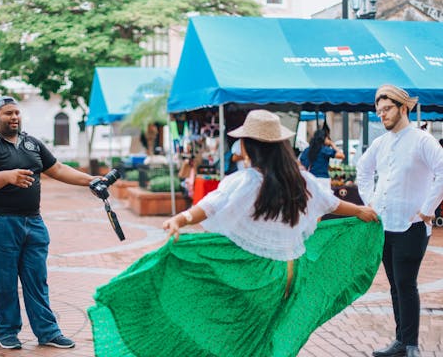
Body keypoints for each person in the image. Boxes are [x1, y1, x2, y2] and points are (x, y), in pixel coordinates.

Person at [89, 109, 381, 357]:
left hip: (252, 272)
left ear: (250, 146)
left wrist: (181, 219)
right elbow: (331, 203)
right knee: (264, 332)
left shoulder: (245, 181)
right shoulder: (300, 180)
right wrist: (360, 211)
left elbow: (211, 206)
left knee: (227, 328)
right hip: (288, 275)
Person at [0, 96, 102, 350]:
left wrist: (91, 180)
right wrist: (8, 176)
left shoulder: (32, 144)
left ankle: (48, 332)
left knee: (37, 279)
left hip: (32, 222)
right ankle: (7, 331)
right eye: (8, 113)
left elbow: (58, 169)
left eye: (17, 113)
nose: (14, 117)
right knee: (2, 280)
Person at [356, 85, 443, 357]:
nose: (382, 115)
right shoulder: (380, 144)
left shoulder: (422, 140)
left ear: (403, 108)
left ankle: (411, 345)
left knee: (406, 283)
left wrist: (428, 207)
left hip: (412, 225)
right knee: (395, 285)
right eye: (379, 111)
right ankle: (401, 342)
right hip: (385, 225)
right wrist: (370, 202)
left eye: (387, 109)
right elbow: (363, 171)